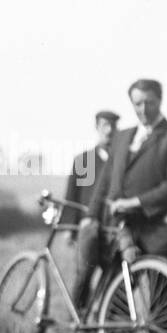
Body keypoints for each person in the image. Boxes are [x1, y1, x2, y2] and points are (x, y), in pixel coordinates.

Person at [79, 79, 167, 277]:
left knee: (159, 303)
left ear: (160, 100)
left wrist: (135, 202)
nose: (143, 109)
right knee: (116, 301)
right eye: (137, 104)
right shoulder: (122, 137)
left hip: (161, 234)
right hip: (121, 232)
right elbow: (105, 182)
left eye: (149, 102)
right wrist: (91, 216)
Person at [64, 110, 118, 310]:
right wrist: (70, 228)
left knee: (112, 275)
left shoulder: (119, 162)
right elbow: (72, 194)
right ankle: (76, 317)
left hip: (111, 227)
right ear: (97, 128)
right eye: (104, 125)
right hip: (88, 228)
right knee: (84, 273)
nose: (109, 130)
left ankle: (100, 315)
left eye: (113, 125)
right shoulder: (84, 160)